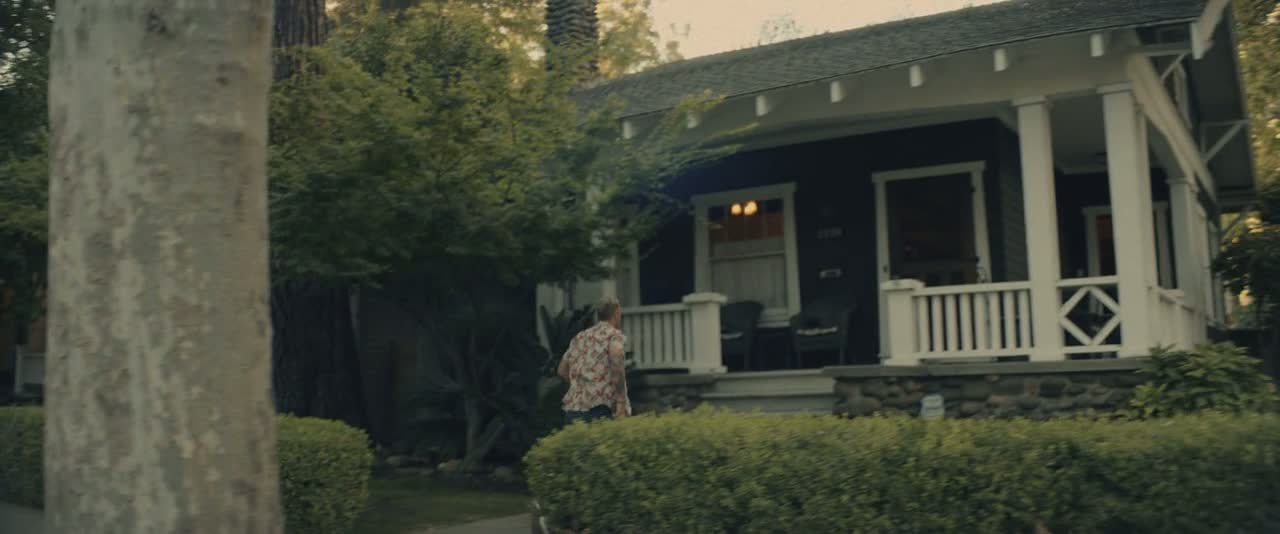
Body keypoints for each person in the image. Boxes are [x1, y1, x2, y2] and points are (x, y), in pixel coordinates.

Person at [558, 296, 631, 424]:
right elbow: (616, 366)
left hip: (573, 410)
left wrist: (580, 386)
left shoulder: (580, 337)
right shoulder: (613, 335)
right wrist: (621, 401)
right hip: (600, 408)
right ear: (616, 312)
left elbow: (561, 370)